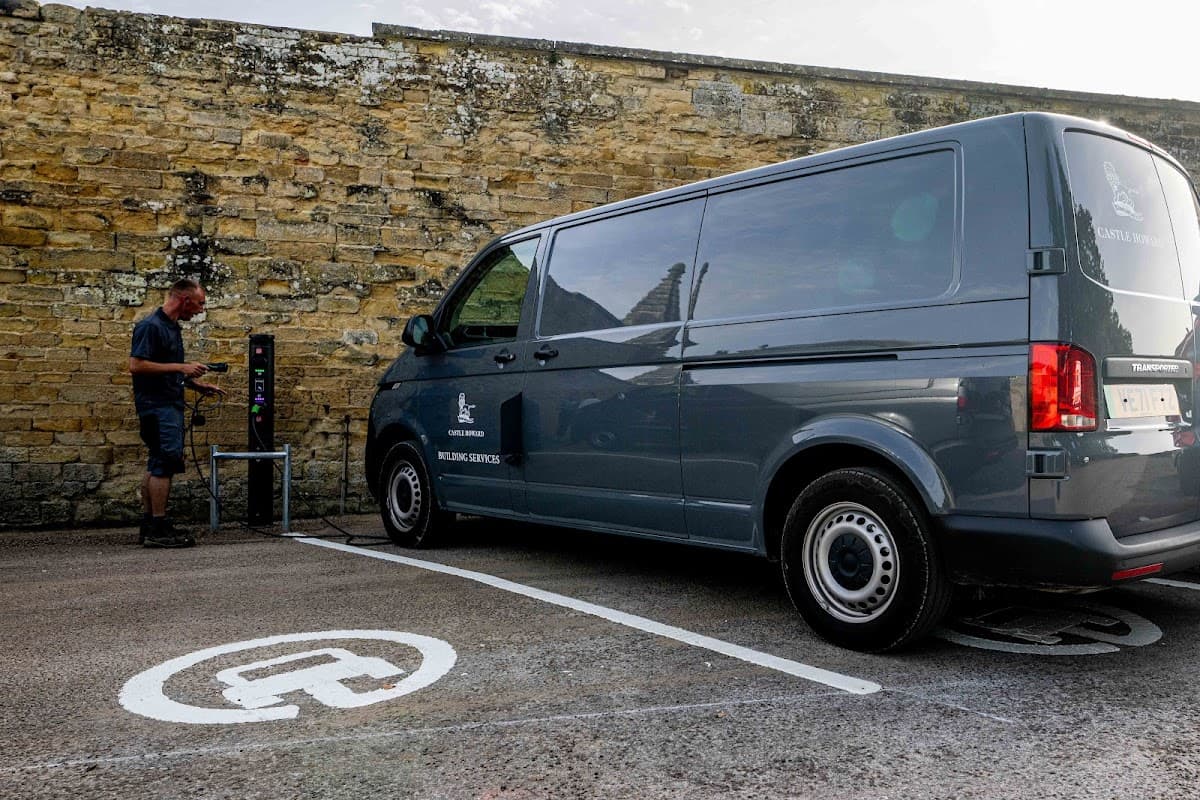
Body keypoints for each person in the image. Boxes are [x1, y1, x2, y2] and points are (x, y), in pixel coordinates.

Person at [129, 278, 225, 548]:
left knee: (156, 462)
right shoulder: (151, 326)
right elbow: (137, 366)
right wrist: (181, 368)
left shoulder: (171, 327)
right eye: (200, 303)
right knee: (165, 464)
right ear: (185, 300)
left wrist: (196, 384)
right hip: (157, 408)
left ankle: (150, 523)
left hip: (167, 404)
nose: (200, 309)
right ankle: (158, 528)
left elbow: (165, 368)